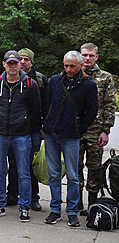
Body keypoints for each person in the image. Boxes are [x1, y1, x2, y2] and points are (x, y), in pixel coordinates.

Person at [0, 50, 41, 222]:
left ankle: (24, 207)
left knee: (24, 172)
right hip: (0, 134)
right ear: (4, 64)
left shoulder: (30, 84)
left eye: (15, 63)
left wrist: (30, 128)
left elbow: (36, 110)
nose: (12, 66)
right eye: (9, 63)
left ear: (19, 65)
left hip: (22, 135)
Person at [43, 50, 98, 227]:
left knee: (73, 176)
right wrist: (46, 124)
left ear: (81, 65)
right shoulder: (54, 80)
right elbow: (47, 103)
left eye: (72, 66)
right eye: (66, 66)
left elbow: (92, 110)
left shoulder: (89, 85)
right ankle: (55, 210)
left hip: (72, 136)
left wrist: (80, 128)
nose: (68, 69)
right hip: (52, 134)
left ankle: (72, 211)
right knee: (53, 174)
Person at [5, 48, 50, 211]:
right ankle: (12, 194)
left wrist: (44, 127)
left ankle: (33, 198)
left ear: (31, 62)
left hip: (33, 129)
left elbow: (46, 105)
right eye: (20, 59)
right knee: (14, 163)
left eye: (26, 59)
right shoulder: (7, 78)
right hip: (14, 130)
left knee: (30, 164)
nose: (22, 62)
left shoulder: (40, 80)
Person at [77, 43, 116, 215]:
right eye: (84, 55)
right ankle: (76, 203)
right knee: (74, 168)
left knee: (95, 168)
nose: (87, 58)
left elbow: (110, 105)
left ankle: (93, 204)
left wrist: (105, 130)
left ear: (96, 57)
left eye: (90, 55)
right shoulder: (73, 74)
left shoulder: (105, 78)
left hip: (96, 131)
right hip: (75, 130)